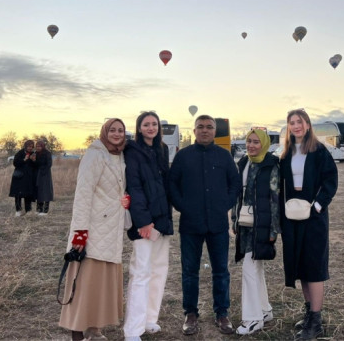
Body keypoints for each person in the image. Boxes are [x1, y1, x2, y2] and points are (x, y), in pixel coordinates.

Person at [59, 118, 131, 341]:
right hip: (92, 228)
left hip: (112, 227)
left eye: (121, 130)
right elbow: (83, 195)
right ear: (104, 132)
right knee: (83, 282)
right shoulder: (94, 154)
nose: (117, 134)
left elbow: (118, 188)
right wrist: (80, 233)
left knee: (101, 283)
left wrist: (125, 200)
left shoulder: (121, 155)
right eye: (113, 130)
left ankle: (94, 328)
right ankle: (77, 331)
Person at [169, 114, 240, 336]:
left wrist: (224, 205)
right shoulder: (183, 156)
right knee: (190, 271)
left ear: (215, 131)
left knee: (221, 271)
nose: (205, 130)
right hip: (191, 223)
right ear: (194, 131)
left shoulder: (224, 156)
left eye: (209, 127)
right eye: (201, 127)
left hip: (218, 223)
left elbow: (235, 184)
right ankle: (190, 314)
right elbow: (172, 184)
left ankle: (222, 313)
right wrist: (183, 206)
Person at [279, 109, 338, 341]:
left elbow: (331, 180)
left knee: (314, 266)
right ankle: (309, 311)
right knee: (300, 264)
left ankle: (316, 320)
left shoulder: (319, 151)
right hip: (291, 216)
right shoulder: (285, 153)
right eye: (292, 122)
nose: (296, 126)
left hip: (313, 216)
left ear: (308, 124)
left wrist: (318, 206)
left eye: (300, 121)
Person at [123, 112, 174, 341]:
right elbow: (134, 186)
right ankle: (133, 330)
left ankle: (149, 319)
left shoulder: (162, 149)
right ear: (139, 128)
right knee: (141, 272)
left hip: (163, 218)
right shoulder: (132, 152)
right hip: (144, 221)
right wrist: (143, 221)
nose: (151, 127)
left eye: (154, 124)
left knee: (159, 269)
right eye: (146, 124)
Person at [232, 128, 279, 336]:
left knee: (249, 269)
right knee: (255, 267)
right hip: (245, 223)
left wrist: (274, 229)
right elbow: (238, 195)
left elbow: (276, 198)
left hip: (262, 224)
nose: (251, 145)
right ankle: (264, 309)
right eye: (249, 141)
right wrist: (234, 219)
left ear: (264, 144)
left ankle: (252, 319)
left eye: (255, 142)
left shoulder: (271, 165)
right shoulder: (243, 163)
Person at [9, 140, 36, 216]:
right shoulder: (20, 153)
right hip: (19, 177)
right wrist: (24, 160)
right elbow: (15, 163)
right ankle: (18, 210)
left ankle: (28, 210)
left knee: (28, 194)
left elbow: (35, 166)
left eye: (31, 146)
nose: (30, 148)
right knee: (18, 194)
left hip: (28, 178)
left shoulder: (33, 154)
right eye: (29, 146)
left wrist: (33, 160)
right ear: (25, 146)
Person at [33, 140, 54, 215]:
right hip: (37, 175)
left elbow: (49, 164)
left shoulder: (47, 153)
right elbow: (35, 164)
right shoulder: (35, 154)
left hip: (45, 175)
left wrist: (42, 170)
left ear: (42, 146)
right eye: (37, 146)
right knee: (39, 191)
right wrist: (34, 161)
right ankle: (39, 209)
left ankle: (45, 210)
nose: (38, 148)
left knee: (45, 191)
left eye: (39, 146)